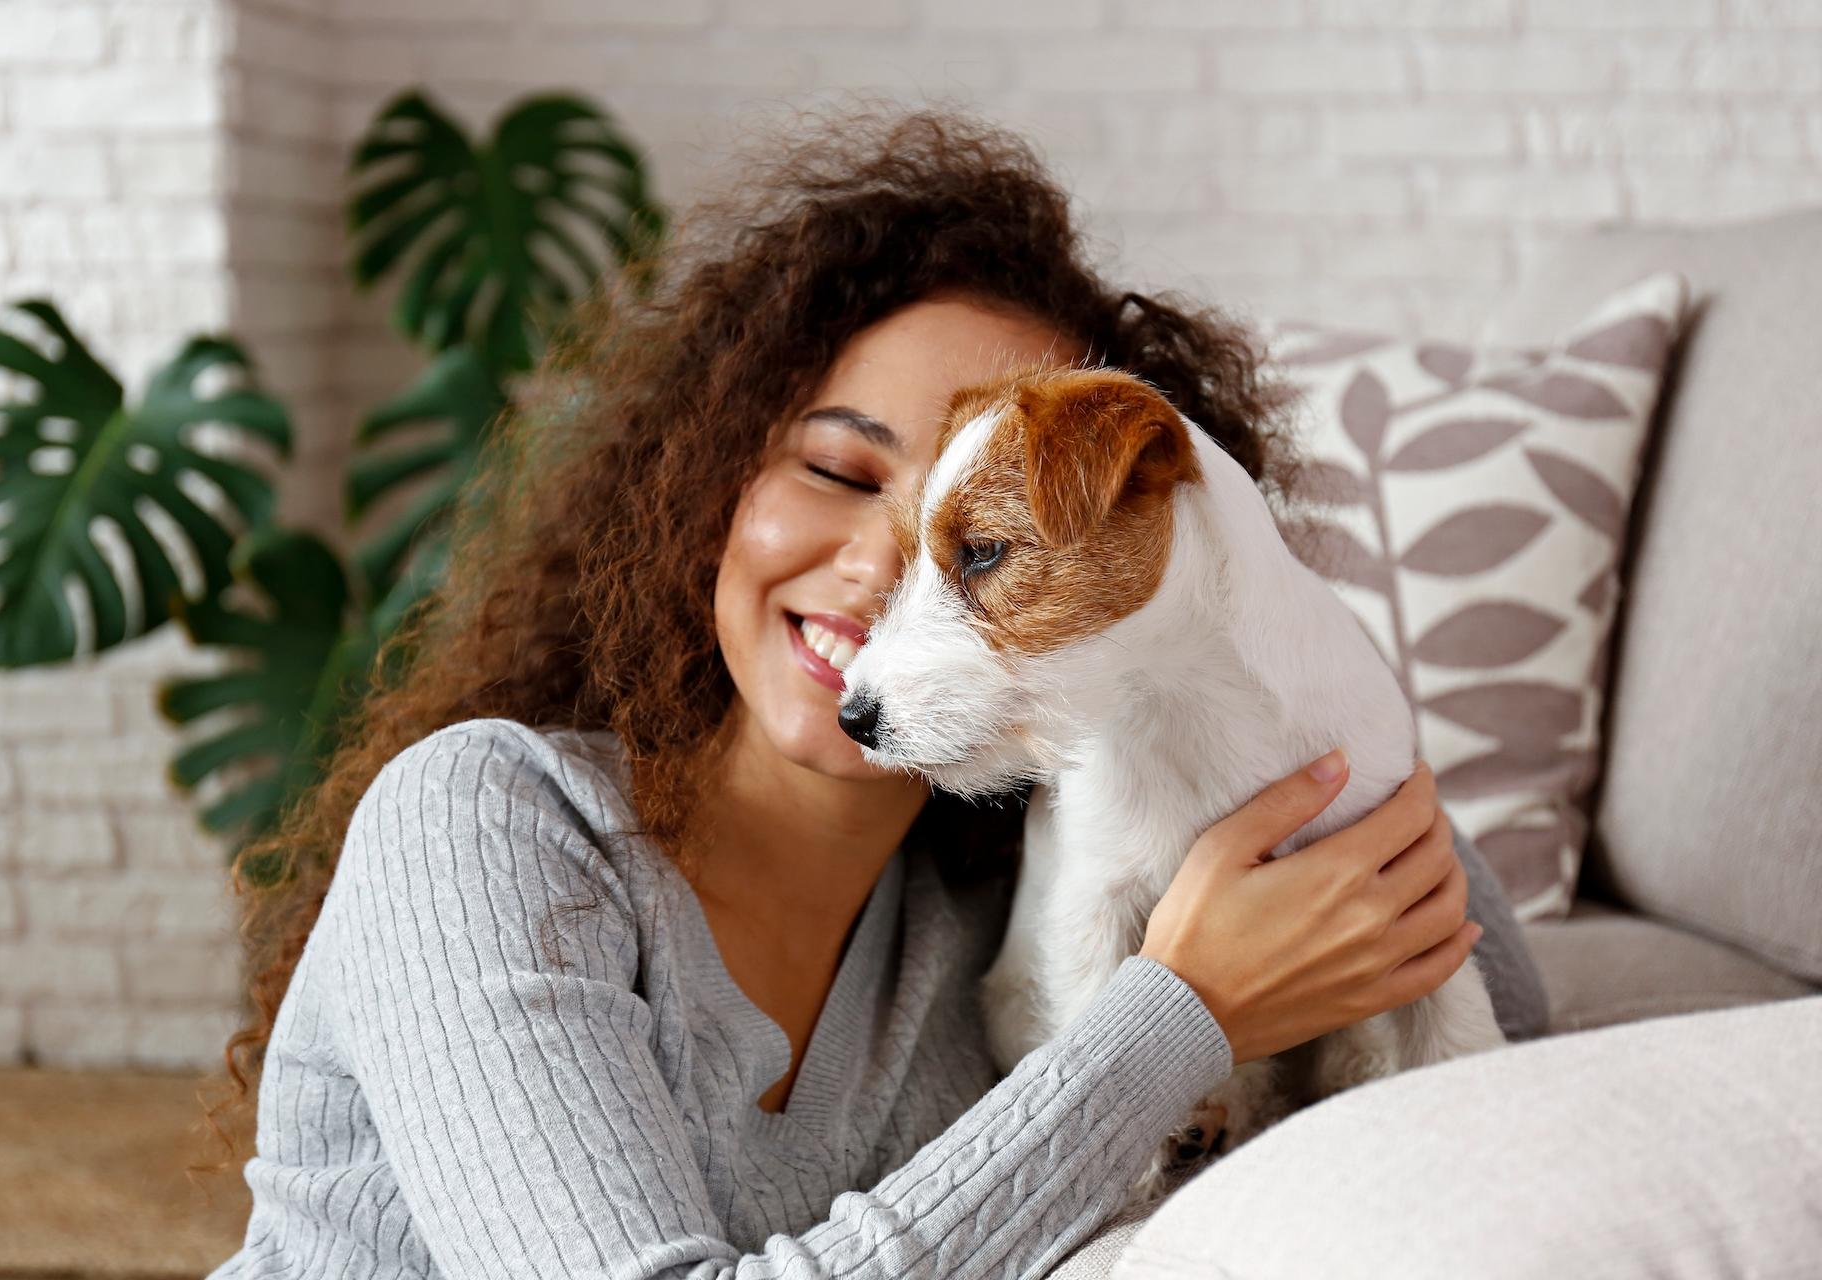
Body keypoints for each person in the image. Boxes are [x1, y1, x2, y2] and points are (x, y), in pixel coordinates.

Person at [205, 104, 1547, 1279]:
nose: (872, 576)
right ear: (714, 478)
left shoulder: (997, 917)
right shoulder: (489, 826)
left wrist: (1258, 684)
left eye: (977, 544)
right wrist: (1178, 1021)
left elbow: (1495, 1005)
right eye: (840, 476)